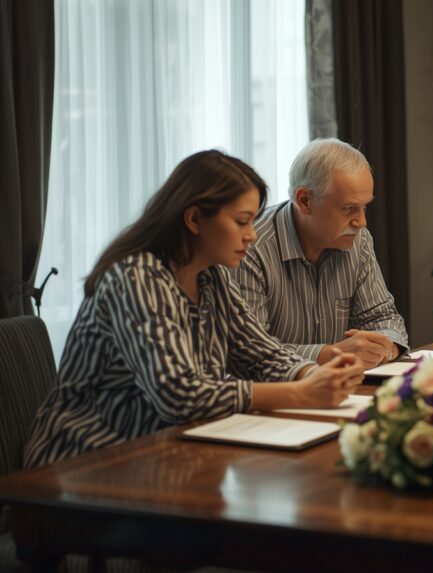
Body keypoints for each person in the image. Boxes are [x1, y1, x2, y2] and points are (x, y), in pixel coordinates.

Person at [25, 150, 364, 467]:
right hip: (84, 465)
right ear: (194, 219)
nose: (252, 236)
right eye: (242, 221)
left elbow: (260, 354)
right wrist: (299, 393)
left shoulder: (211, 277)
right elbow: (179, 394)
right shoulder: (136, 276)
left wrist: (314, 374)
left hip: (162, 456)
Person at [232, 139, 408, 369]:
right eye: (349, 208)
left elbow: (384, 318)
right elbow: (249, 350)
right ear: (304, 201)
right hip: (271, 398)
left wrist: (384, 348)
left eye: (364, 207)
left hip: (342, 391)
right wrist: (328, 354)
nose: (362, 222)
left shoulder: (357, 240)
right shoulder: (249, 247)